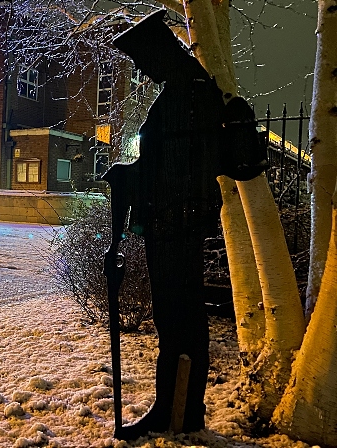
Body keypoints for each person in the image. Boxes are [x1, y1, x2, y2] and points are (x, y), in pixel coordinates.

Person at [109, 10, 266, 440]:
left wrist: (132, 177)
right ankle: (179, 406)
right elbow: (170, 165)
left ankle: (176, 409)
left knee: (177, 319)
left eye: (144, 61)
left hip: (174, 227)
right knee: (179, 319)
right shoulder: (191, 92)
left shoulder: (186, 97)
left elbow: (176, 174)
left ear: (161, 53)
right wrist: (131, 172)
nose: (143, 71)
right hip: (174, 224)